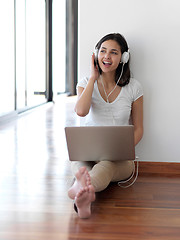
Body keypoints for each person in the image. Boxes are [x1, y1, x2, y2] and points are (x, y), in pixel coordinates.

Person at [68, 33, 143, 218]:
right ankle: (84, 194)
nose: (106, 57)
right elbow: (81, 111)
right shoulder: (86, 83)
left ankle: (83, 188)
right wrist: (93, 79)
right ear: (96, 54)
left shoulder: (134, 87)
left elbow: (139, 128)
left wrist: (123, 149)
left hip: (119, 160)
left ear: (124, 57)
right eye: (102, 51)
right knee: (81, 165)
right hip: (87, 154)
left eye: (113, 52)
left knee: (106, 166)